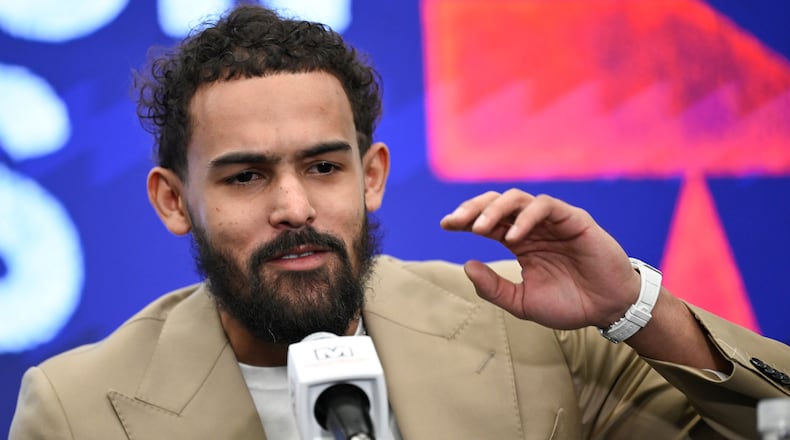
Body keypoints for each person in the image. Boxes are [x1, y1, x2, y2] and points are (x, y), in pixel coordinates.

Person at [9, 4, 790, 439]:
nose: (295, 207)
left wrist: (633, 311)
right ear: (174, 201)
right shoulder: (79, 408)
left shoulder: (533, 335)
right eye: (246, 175)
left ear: (372, 176)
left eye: (324, 167)